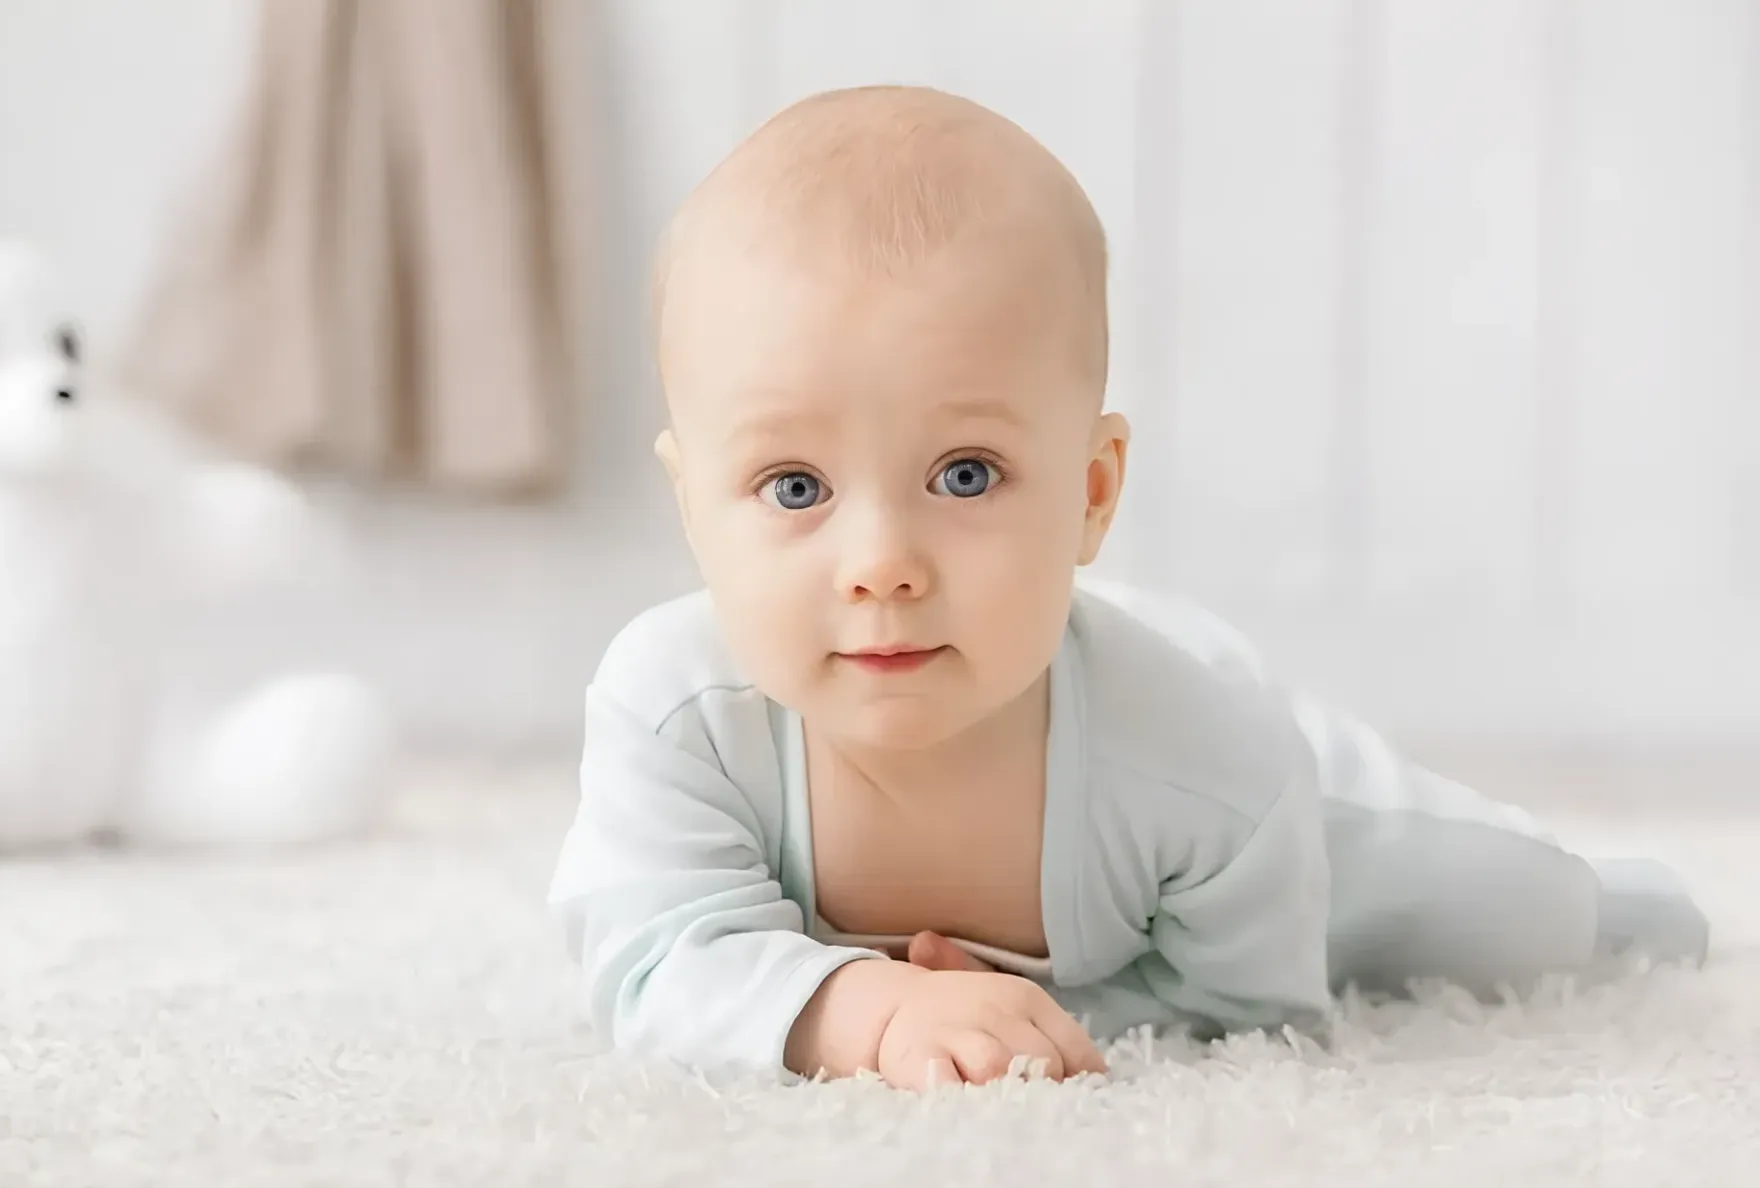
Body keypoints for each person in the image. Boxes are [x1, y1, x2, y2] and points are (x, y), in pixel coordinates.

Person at [546, 85, 1709, 1092]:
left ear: (1093, 492)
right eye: (794, 486)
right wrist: (865, 1006)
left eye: (966, 474)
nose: (882, 562)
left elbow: (1253, 1016)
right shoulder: (675, 711)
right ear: (693, 507)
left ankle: (1631, 902)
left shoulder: (1211, 769)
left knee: (1507, 911)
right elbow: (650, 958)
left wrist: (1032, 1016)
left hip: (1297, 822)